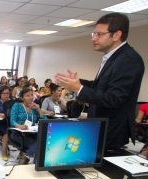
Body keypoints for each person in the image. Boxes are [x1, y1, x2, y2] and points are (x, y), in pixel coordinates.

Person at [55, 13, 145, 150]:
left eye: (99, 34)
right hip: (99, 128)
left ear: (116, 35)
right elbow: (103, 86)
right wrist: (79, 83)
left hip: (110, 131)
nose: (94, 38)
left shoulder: (128, 60)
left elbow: (113, 98)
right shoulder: (114, 58)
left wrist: (79, 89)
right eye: (94, 34)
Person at [10, 87, 46, 165]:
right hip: (19, 134)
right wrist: (20, 126)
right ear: (22, 98)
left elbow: (45, 120)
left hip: (33, 134)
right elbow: (12, 121)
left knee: (42, 140)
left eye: (31, 95)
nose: (30, 98)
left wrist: (39, 109)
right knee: (40, 145)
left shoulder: (34, 108)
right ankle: (33, 163)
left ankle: (28, 157)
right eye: (27, 96)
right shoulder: (17, 106)